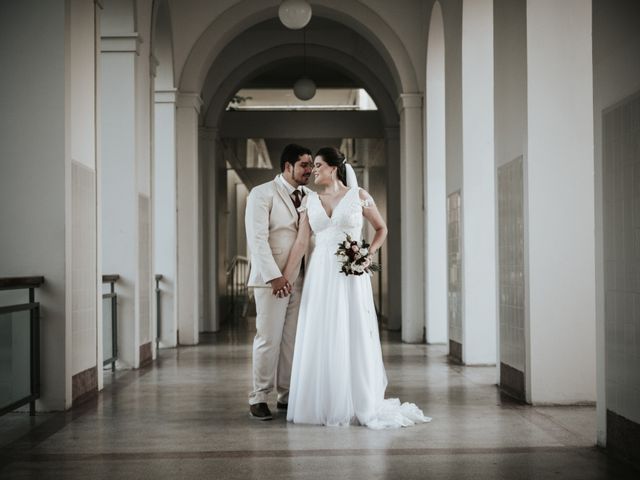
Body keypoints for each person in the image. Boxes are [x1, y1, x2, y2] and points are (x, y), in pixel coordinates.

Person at [280, 147, 431, 429]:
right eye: (313, 166)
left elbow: (381, 228)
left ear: (334, 168)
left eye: (319, 166)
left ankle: (356, 399)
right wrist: (285, 279)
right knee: (321, 332)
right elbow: (301, 244)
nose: (314, 170)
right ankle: (322, 401)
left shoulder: (358, 196)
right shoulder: (309, 201)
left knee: (352, 331)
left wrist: (367, 254)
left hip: (350, 275)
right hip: (320, 275)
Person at [245, 143, 313, 420]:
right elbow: (257, 239)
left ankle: (286, 395)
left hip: (302, 278)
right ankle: (259, 396)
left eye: (311, 165)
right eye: (304, 165)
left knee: (291, 341)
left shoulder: (310, 195)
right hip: (271, 280)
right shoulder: (261, 194)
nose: (310, 170)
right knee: (268, 338)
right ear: (287, 166)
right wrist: (275, 277)